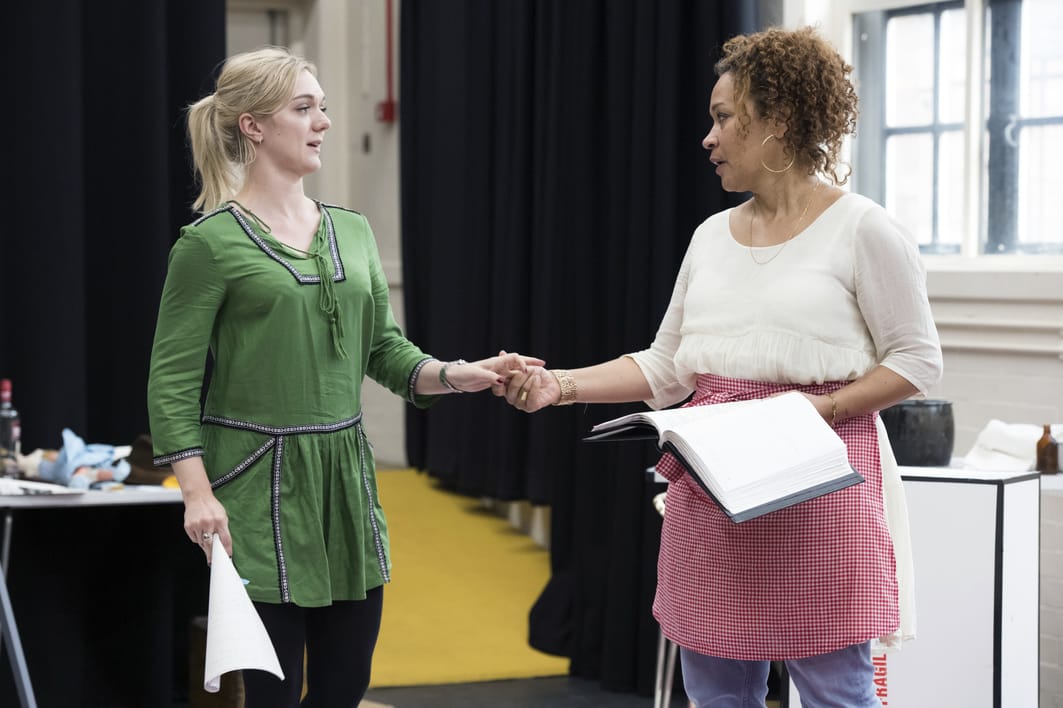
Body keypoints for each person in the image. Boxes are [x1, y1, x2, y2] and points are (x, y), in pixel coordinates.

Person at [500, 26, 942, 707]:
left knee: (834, 692)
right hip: (712, 493)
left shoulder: (863, 229)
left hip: (819, 480)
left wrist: (813, 412)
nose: (707, 138)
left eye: (724, 117)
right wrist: (558, 386)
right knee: (713, 693)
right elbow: (669, 366)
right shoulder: (709, 236)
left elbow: (916, 361)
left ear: (780, 122)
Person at [146, 46, 539, 708]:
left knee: (344, 686)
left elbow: (383, 350)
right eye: (304, 108)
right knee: (273, 694)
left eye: (323, 107)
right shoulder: (208, 245)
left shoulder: (351, 233)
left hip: (345, 487)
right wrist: (196, 495)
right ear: (253, 126)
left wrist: (459, 374)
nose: (322, 121)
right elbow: (171, 381)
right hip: (255, 489)